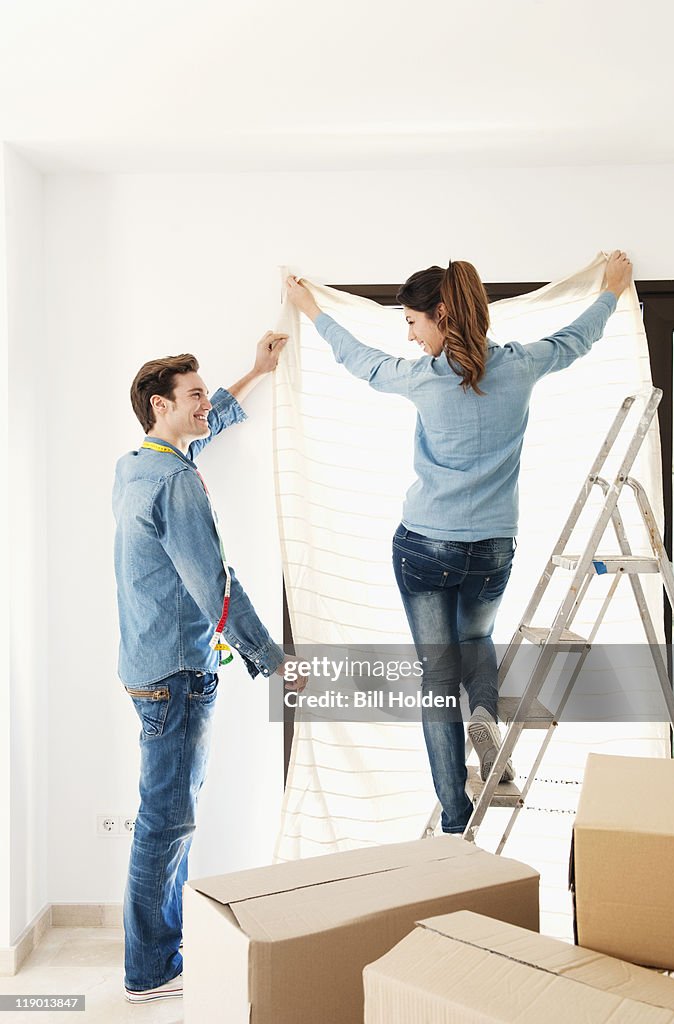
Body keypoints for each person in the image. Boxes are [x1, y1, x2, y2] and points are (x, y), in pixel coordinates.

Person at [285, 251, 632, 835]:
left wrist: (312, 309)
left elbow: (361, 362)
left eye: (413, 322)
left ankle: (453, 816)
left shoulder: (421, 378)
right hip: (493, 546)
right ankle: (483, 712)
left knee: (435, 678)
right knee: (478, 639)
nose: (411, 335)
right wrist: (613, 290)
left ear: (441, 313)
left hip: (424, 547)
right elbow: (578, 339)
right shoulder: (521, 366)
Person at [113, 331, 306, 1003]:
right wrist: (272, 658)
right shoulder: (174, 483)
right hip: (176, 674)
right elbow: (215, 586)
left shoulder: (138, 463)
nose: (205, 406)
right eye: (195, 396)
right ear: (162, 405)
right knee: (167, 821)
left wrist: (252, 375)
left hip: (148, 664)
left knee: (169, 815)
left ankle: (162, 946)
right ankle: (150, 970)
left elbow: (204, 429)